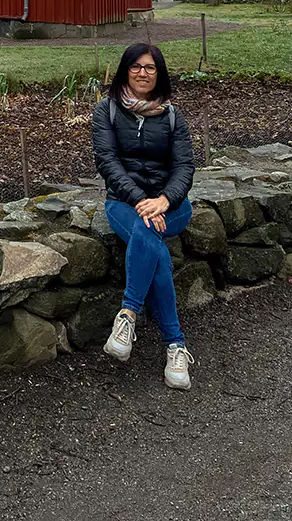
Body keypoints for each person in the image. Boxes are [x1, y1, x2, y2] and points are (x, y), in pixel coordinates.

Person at [91, 42, 196, 389]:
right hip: (124, 204)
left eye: (150, 67)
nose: (142, 73)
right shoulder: (106, 111)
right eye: (136, 66)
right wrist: (141, 201)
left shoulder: (172, 116)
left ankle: (128, 314)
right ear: (125, 70)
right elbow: (108, 163)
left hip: (172, 207)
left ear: (159, 73)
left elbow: (184, 166)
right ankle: (175, 346)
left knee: (149, 230)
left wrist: (165, 200)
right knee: (153, 241)